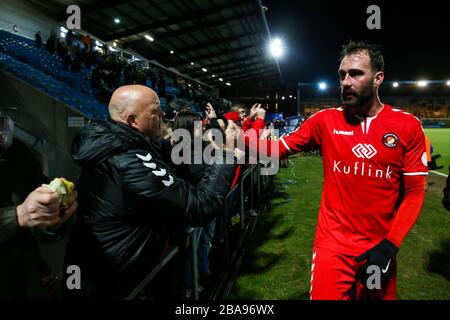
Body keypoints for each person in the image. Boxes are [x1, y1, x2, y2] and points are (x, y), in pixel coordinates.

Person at [258, 41, 428, 300]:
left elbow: (415, 193)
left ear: (377, 78)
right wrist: (235, 140)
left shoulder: (407, 126)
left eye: (356, 74)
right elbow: (277, 149)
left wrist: (389, 246)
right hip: (332, 247)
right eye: (342, 75)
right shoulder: (324, 121)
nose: (346, 82)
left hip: (379, 249)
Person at [64, 85, 237, 299]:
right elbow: (199, 206)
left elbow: (146, 205)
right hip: (111, 284)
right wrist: (227, 152)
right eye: (155, 111)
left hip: (106, 274)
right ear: (132, 120)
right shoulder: (129, 162)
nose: (164, 115)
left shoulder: (122, 145)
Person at [0, 116, 78, 299]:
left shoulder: (16, 151)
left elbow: (40, 228)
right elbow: (22, 215)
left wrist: (54, 218)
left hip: (25, 278)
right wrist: (17, 216)